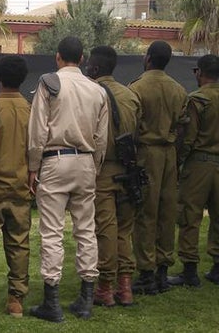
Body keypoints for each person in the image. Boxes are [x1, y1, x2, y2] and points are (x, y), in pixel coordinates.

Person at [27, 36, 108, 322]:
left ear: (58, 56)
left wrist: (32, 167)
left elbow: (37, 130)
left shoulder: (49, 83)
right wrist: (94, 166)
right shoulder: (97, 90)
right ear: (83, 59)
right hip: (86, 161)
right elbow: (101, 137)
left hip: (54, 160)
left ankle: (53, 301)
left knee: (52, 232)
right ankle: (86, 298)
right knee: (86, 229)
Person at [128, 40, 187, 295]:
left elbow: (131, 127)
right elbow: (183, 127)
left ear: (148, 57)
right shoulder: (179, 89)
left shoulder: (136, 88)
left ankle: (146, 272)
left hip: (146, 153)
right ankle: (164, 270)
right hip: (170, 153)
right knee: (167, 212)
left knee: (145, 213)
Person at [85, 46, 141, 307]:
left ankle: (105, 288)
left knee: (105, 229)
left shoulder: (91, 95)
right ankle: (125, 286)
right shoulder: (131, 95)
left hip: (104, 170)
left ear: (94, 68)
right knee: (124, 230)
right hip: (129, 170)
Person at [0, 55, 31, 319]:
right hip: (21, 186)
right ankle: (16, 301)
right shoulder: (30, 109)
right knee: (19, 244)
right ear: (22, 79)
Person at [168, 54, 219, 287]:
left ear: (201, 72)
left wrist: (178, 162)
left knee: (189, 215)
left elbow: (187, 138)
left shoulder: (197, 99)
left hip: (200, 163)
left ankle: (189, 270)